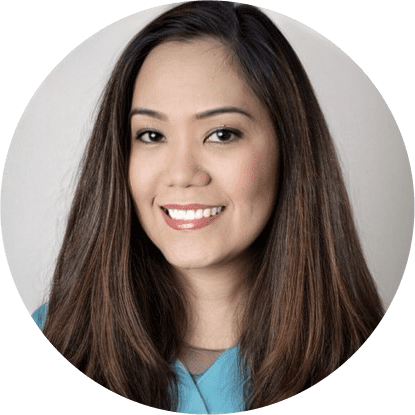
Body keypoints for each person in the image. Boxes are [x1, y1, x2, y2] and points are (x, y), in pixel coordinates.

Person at [32, 1, 384, 413]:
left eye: (221, 134)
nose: (181, 174)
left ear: (288, 149)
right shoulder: (48, 341)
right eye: (151, 135)